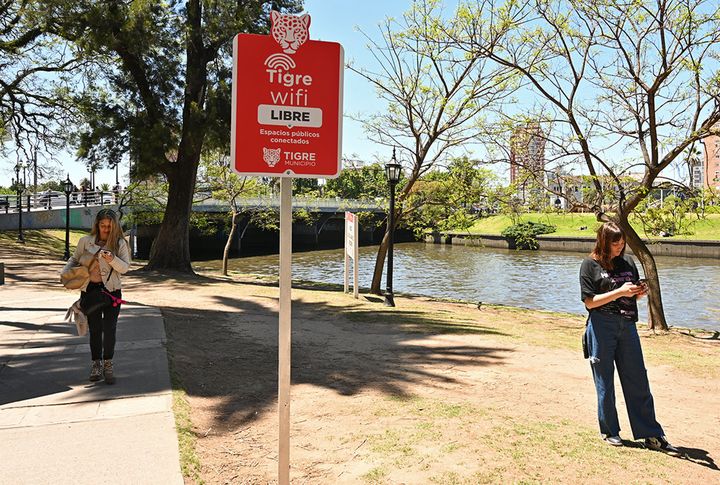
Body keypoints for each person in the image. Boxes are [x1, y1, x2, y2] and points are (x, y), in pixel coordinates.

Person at [579, 222, 678, 453]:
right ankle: (610, 431)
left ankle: (652, 435)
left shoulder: (628, 263)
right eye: (615, 243)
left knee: (638, 379)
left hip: (627, 325)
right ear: (603, 242)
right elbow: (590, 302)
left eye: (622, 243)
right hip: (601, 325)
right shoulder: (589, 265)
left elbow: (629, 296)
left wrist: (637, 293)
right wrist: (619, 292)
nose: (620, 247)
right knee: (605, 381)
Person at [68, 208, 130, 384]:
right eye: (103, 225)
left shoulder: (119, 244)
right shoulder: (85, 241)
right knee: (95, 330)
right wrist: (67, 275)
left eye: (109, 226)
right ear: (97, 225)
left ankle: (108, 363)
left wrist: (112, 259)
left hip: (112, 293)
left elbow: (125, 268)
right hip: (90, 291)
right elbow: (74, 260)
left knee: (110, 329)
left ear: (115, 226)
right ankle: (96, 364)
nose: (106, 229)